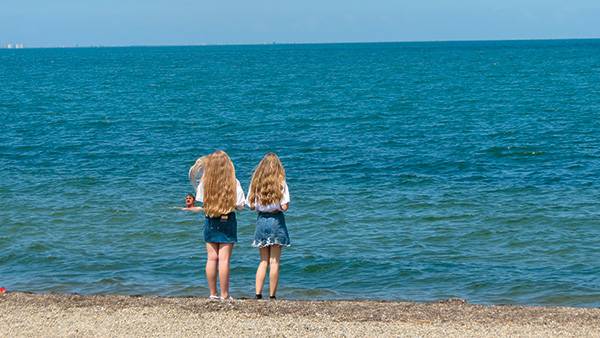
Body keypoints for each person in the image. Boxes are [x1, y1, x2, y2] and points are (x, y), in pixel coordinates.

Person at [192, 150, 245, 301]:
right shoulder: (233, 182)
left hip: (211, 220)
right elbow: (241, 205)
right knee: (224, 259)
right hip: (227, 220)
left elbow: (201, 200)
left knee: (211, 258)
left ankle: (213, 293)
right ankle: (225, 294)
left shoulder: (205, 182)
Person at [247, 152, 290, 300]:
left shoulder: (256, 183)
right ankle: (272, 296)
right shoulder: (281, 182)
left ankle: (258, 294)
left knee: (263, 261)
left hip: (261, 221)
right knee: (274, 261)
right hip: (276, 220)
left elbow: (251, 206)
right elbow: (284, 207)